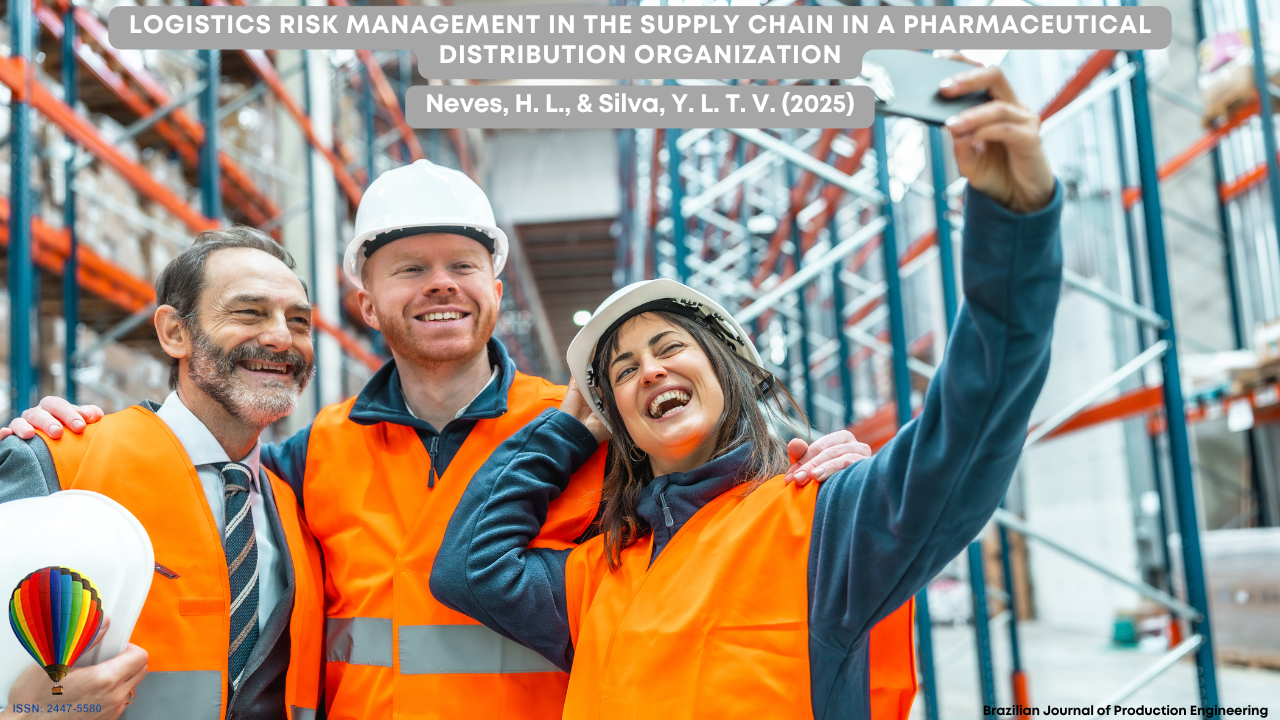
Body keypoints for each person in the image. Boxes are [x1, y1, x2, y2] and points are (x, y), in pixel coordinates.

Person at [5, 162, 872, 719]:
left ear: (496, 286)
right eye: (409, 269)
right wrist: (55, 442)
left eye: (462, 265)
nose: (441, 286)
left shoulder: (594, 431)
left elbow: (716, 502)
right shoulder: (305, 464)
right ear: (367, 301)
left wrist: (814, 461)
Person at [429, 63, 1062, 719]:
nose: (649, 370)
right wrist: (568, 429)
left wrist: (1013, 226)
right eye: (623, 372)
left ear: (729, 371)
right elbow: (468, 569)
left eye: (670, 347)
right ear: (619, 422)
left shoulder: (825, 527)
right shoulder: (600, 578)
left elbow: (974, 420)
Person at [0, 228, 325, 720]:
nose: (282, 336)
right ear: (175, 332)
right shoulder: (60, 461)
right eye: (249, 312)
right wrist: (25, 713)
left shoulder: (297, 508)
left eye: (298, 321)